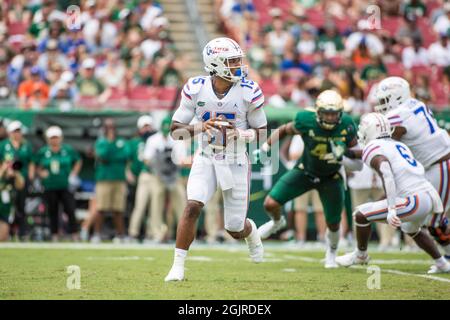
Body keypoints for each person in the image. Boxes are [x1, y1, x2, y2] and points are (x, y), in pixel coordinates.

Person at [165, 37, 267, 281]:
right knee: (192, 206)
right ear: (216, 63)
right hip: (207, 157)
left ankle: (251, 233)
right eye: (232, 62)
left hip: (236, 160)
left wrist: (239, 133)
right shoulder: (196, 88)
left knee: (234, 228)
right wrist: (201, 126)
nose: (238, 66)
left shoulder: (248, 90)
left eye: (237, 61)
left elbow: (262, 132)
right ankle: (177, 267)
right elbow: (176, 130)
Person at [257, 90, 363, 268]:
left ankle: (331, 253)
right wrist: (266, 146)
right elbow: (284, 130)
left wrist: (343, 156)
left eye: (333, 113)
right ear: (318, 112)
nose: (330, 118)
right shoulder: (306, 119)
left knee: (334, 223)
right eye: (326, 113)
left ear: (340, 113)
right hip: (305, 171)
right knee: (270, 203)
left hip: (331, 176)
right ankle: (277, 222)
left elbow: (358, 162)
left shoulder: (346, 124)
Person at [336, 113, 450, 274]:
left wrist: (391, 208)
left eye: (362, 127)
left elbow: (386, 173)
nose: (360, 131)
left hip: (413, 200)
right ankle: (442, 263)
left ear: (370, 130)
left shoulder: (372, 147)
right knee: (410, 228)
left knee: (360, 215)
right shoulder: (398, 145)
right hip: (428, 195)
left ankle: (361, 255)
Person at [375, 76, 450, 260]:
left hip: (439, 165)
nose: (382, 105)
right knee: (412, 225)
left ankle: (447, 256)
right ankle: (443, 259)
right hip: (435, 165)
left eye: (385, 100)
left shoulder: (397, 115)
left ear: (397, 97)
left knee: (435, 222)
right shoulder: (415, 103)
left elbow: (391, 144)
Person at [34, 126, 82, 242]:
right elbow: (36, 165)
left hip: (65, 185)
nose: (54, 140)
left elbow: (78, 161)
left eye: (56, 137)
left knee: (70, 209)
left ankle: (74, 233)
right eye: (52, 138)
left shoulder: (67, 150)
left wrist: (73, 174)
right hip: (50, 185)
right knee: (53, 210)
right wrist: (41, 173)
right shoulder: (44, 152)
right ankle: (54, 234)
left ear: (60, 138)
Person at [92, 118, 129, 243]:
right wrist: (110, 145)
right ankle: (96, 234)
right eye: (108, 127)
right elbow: (103, 156)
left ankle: (120, 235)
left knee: (118, 209)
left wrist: (112, 154)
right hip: (104, 179)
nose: (110, 129)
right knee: (101, 208)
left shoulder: (121, 141)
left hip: (119, 178)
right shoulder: (101, 142)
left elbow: (125, 155)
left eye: (112, 127)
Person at [0, 121, 34, 240]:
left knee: (21, 206)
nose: (17, 133)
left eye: (19, 131)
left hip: (21, 179)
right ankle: (6, 233)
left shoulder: (26, 145)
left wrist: (30, 177)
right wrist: (5, 170)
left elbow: (31, 162)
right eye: (15, 131)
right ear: (10, 132)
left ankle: (22, 232)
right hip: (6, 181)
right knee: (5, 205)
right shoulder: (3, 145)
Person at [127, 115, 156, 242]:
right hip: (141, 176)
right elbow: (127, 160)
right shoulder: (134, 142)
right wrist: (128, 173)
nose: (147, 129)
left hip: (155, 176)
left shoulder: (156, 140)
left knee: (154, 207)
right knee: (140, 205)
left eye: (149, 126)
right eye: (145, 126)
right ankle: (133, 232)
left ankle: (151, 233)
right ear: (139, 128)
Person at [0, 154, 25, 241]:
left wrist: (16, 173)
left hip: (5, 211)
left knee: (2, 238)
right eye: (8, 163)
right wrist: (3, 170)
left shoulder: (14, 177)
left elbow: (21, 185)